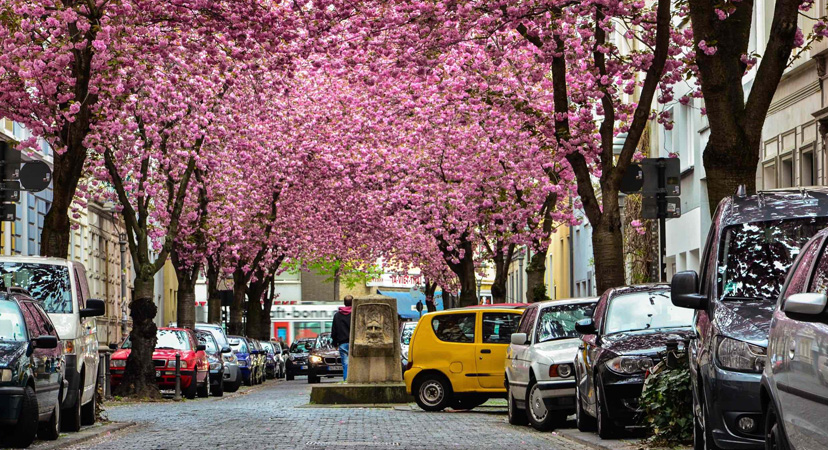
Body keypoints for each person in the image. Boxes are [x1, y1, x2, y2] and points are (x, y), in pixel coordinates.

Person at [331, 295, 353, 380]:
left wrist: (335, 343)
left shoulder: (337, 315)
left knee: (345, 364)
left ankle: (346, 380)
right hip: (353, 343)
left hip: (342, 343)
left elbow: (334, 331)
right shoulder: (355, 314)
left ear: (344, 303)